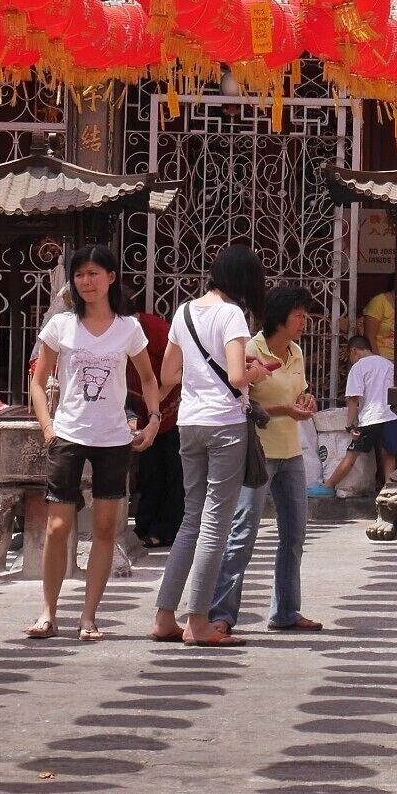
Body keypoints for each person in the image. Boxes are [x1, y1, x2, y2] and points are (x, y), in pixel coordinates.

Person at [26, 246, 159, 642]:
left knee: (104, 529)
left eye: (94, 273)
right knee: (57, 526)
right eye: (79, 274)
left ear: (111, 278)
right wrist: (48, 426)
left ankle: (88, 616)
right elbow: (38, 380)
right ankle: (48, 612)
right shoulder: (61, 327)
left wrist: (153, 420)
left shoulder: (129, 329)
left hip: (114, 439)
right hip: (68, 434)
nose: (86, 281)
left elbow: (148, 379)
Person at [151, 242, 272, 646]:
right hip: (224, 425)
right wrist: (255, 371)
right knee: (215, 524)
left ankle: (164, 616)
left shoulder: (183, 311)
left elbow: (168, 372)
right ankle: (198, 622)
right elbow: (237, 376)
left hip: (189, 423)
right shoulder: (231, 313)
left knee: (191, 518)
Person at [210, 286, 323, 634]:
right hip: (258, 455)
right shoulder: (249, 349)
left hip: (292, 453)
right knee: (243, 532)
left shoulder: (297, 352)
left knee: (295, 535)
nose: (304, 322)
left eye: (305, 315)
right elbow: (244, 403)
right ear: (280, 317)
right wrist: (283, 410)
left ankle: (286, 611)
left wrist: (306, 402)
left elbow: (299, 391)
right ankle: (221, 615)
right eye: (299, 315)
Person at [127, 295, 184, 548]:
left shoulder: (155, 328)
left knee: (172, 471)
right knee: (149, 471)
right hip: (142, 409)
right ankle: (145, 526)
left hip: (171, 409)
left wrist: (156, 404)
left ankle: (167, 529)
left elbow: (178, 367)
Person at [329, 332, 397, 496]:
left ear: (354, 351)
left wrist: (349, 424)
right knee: (388, 455)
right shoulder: (388, 364)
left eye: (350, 356)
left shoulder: (358, 367)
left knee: (352, 454)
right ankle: (390, 493)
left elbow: (353, 399)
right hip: (392, 416)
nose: (350, 360)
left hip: (370, 418)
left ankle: (328, 485)